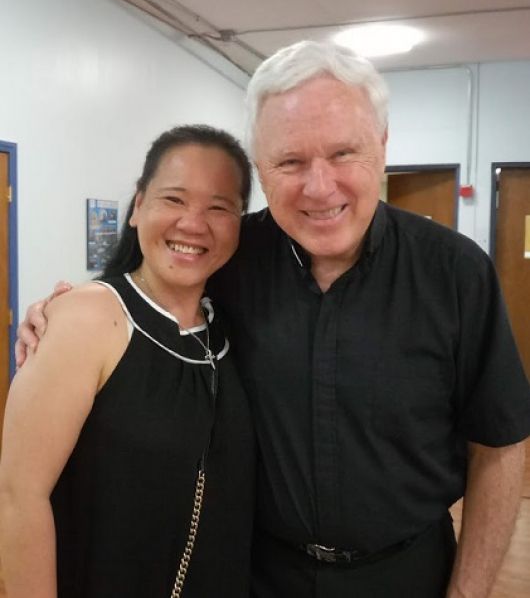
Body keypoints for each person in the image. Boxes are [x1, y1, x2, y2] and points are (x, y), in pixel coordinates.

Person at [14, 41, 530, 598]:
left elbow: (499, 446)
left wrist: (468, 593)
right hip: (259, 575)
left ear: (382, 147)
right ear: (262, 168)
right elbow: (151, 292)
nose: (319, 187)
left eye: (343, 153)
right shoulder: (233, 261)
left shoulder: (454, 273)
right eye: (290, 161)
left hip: (407, 574)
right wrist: (61, 311)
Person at [0, 124, 255, 597]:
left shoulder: (232, 325)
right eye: (174, 199)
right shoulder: (88, 317)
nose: (193, 224)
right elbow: (18, 499)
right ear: (138, 206)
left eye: (219, 207)